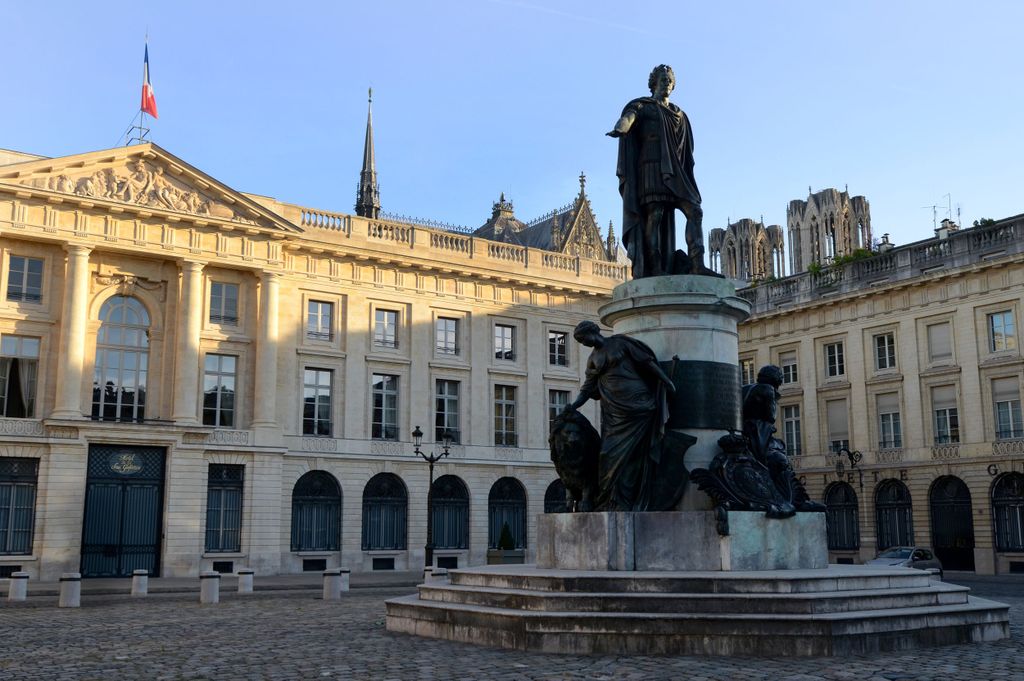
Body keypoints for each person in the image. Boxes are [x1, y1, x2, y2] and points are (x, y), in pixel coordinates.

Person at [608, 64, 717, 278]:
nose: (667, 83)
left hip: (676, 171)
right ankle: (655, 266)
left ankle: (697, 263)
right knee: (655, 215)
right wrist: (621, 127)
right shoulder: (643, 107)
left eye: (669, 80)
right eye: (663, 79)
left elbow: (686, 149)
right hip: (651, 166)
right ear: (654, 83)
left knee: (695, 211)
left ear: (674, 84)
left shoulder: (680, 114)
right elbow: (629, 117)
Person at [564, 321, 675, 511]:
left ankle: (628, 499)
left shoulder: (620, 343)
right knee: (607, 454)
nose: (583, 344)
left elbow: (646, 362)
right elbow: (587, 388)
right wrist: (573, 406)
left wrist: (666, 381)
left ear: (593, 331)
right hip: (615, 413)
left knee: (636, 454)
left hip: (639, 405)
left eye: (583, 339)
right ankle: (614, 500)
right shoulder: (592, 359)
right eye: (580, 342)